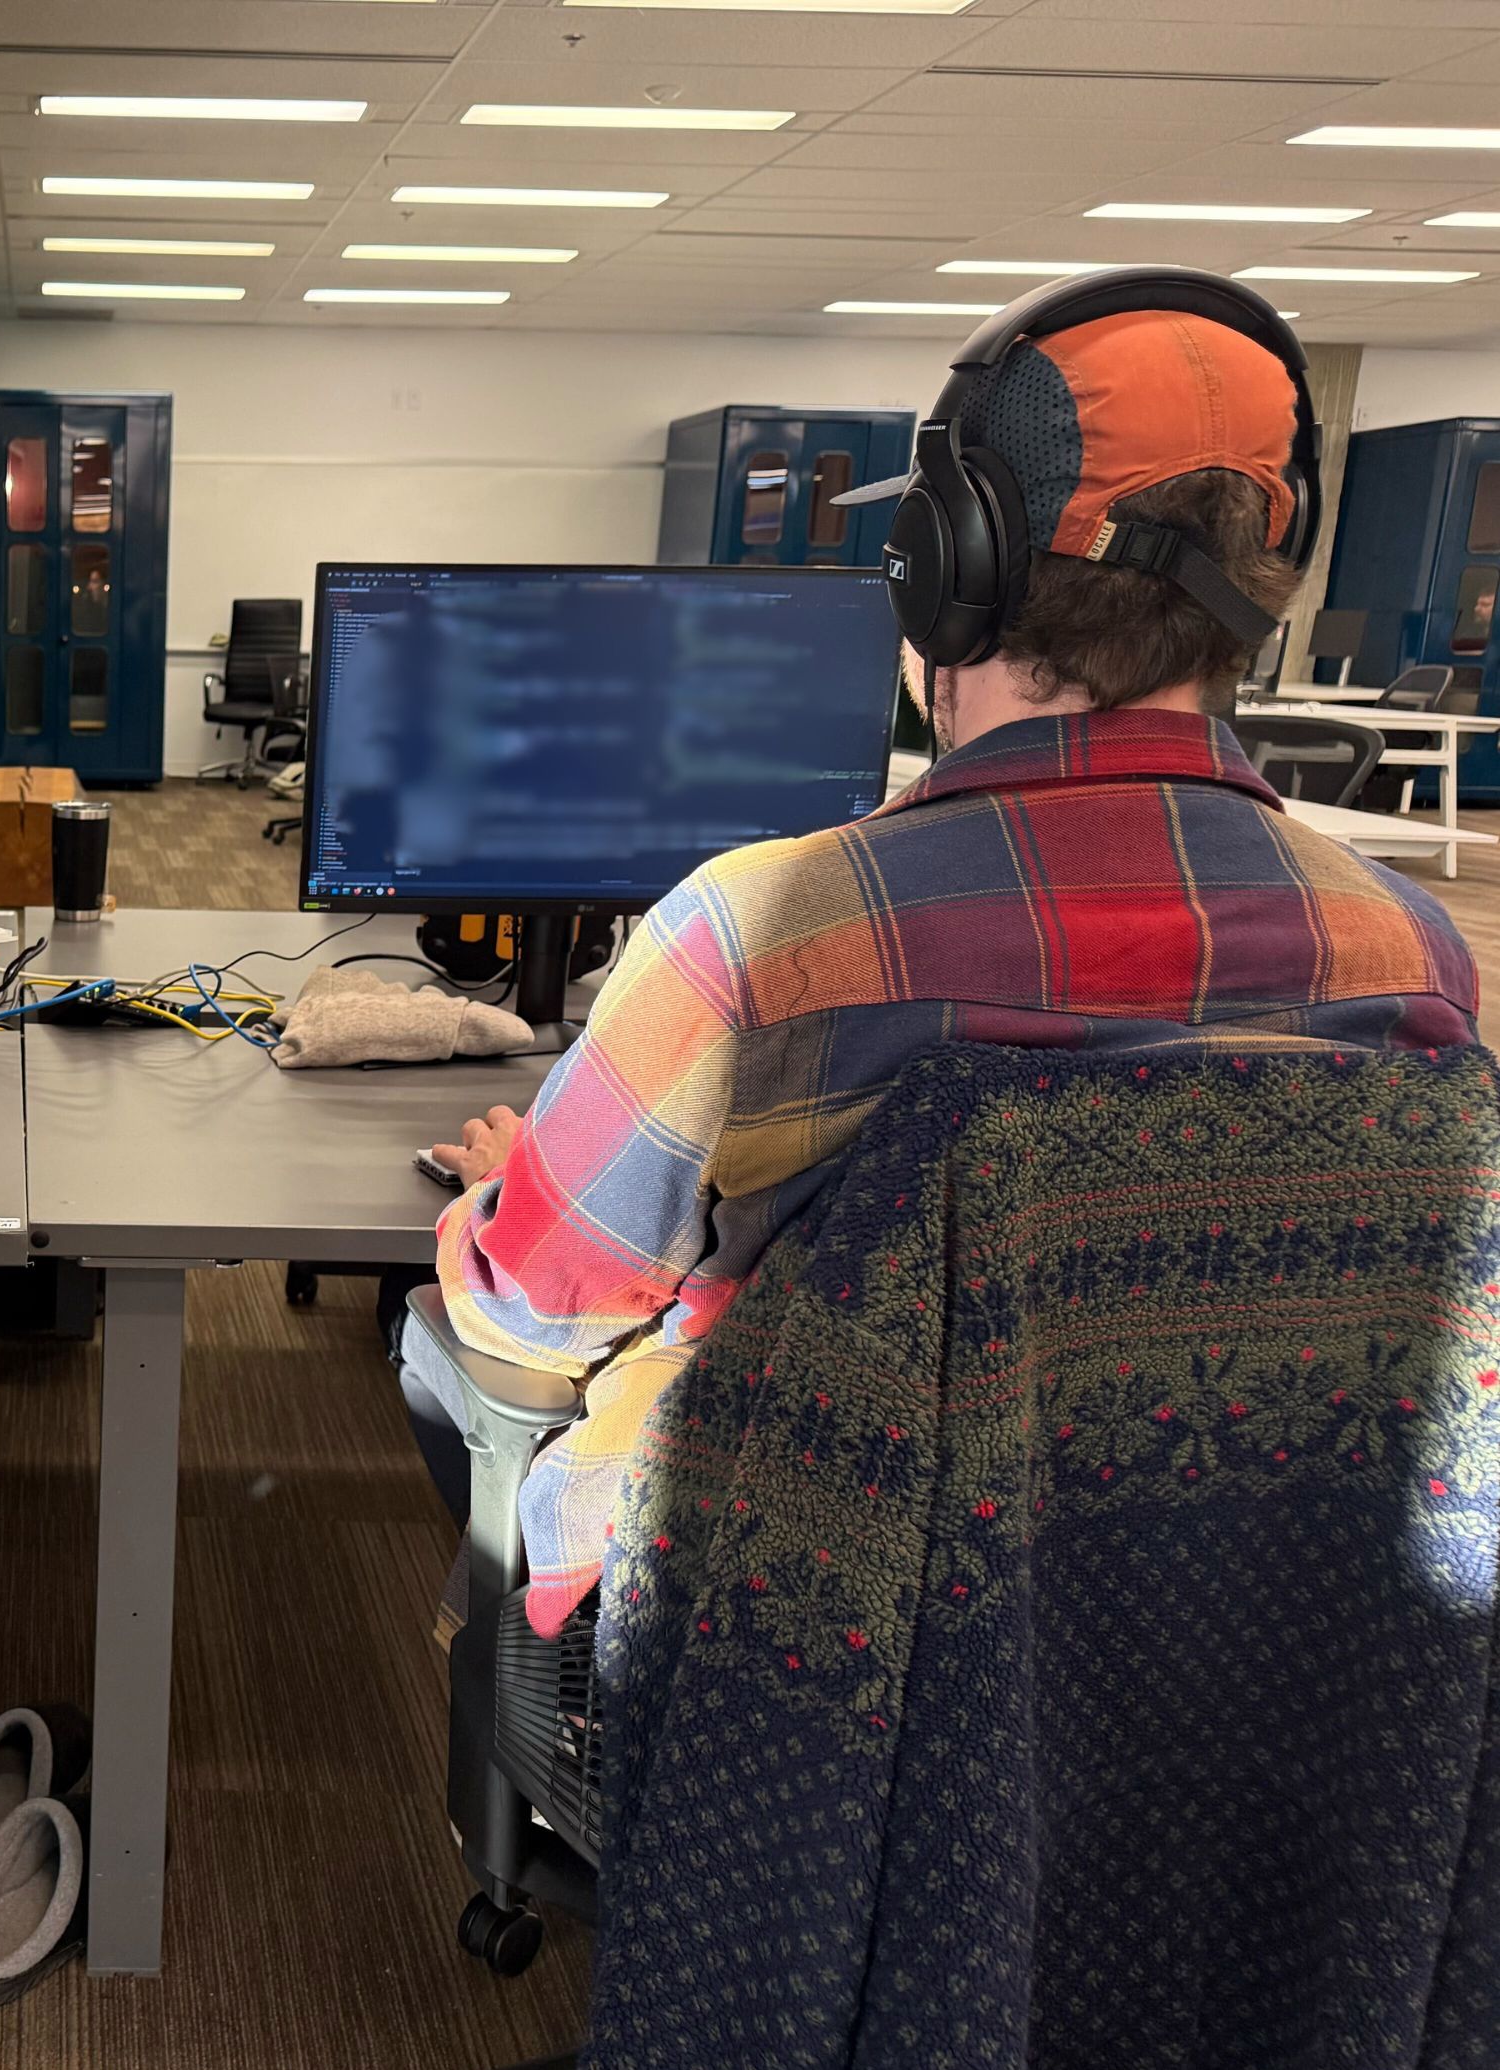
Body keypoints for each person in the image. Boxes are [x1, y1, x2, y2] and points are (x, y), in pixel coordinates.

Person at [409, 301, 1481, 1643]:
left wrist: (517, 1188)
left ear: (941, 576)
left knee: (455, 1359)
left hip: (803, 1651)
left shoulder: (760, 934)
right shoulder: (1412, 949)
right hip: (1252, 1647)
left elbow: (532, 1317)